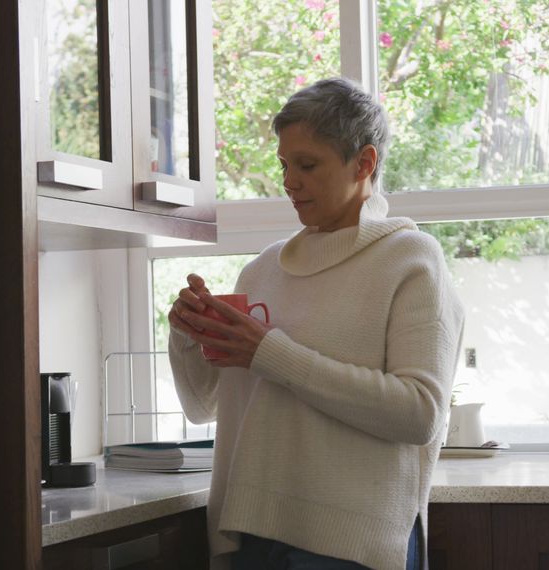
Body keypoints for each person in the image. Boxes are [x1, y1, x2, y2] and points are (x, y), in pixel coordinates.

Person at [167, 77, 465, 570]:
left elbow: (419, 414)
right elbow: (205, 406)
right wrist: (187, 333)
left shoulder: (412, 260)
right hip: (250, 535)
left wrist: (268, 351)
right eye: (285, 164)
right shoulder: (262, 269)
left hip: (352, 546)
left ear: (364, 163)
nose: (289, 181)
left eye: (307, 165)